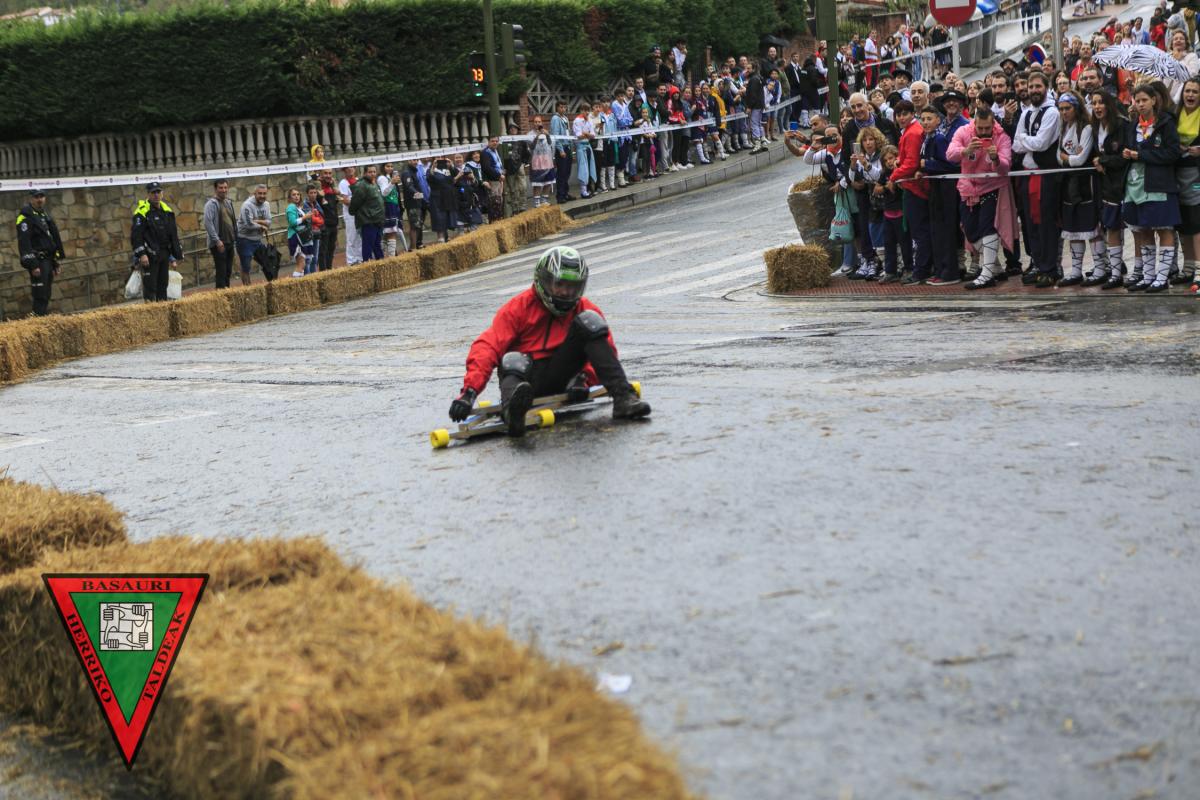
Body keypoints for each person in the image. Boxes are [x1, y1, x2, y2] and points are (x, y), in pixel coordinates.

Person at [447, 246, 650, 437]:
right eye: (560, 284)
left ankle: (624, 397)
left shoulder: (584, 308)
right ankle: (513, 413)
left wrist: (585, 379)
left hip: (563, 374)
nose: (566, 293)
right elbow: (487, 346)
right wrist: (469, 392)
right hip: (525, 380)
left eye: (572, 287)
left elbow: (606, 352)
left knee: (591, 321)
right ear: (543, 280)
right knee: (513, 359)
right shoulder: (518, 308)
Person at [947, 106, 1015, 290]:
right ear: (974, 123)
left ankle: (986, 275)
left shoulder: (1002, 137)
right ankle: (995, 267)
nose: (984, 132)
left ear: (993, 124)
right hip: (967, 189)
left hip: (992, 188)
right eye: (980, 128)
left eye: (987, 128)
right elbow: (950, 154)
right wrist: (965, 150)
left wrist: (996, 159)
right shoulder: (963, 132)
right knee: (970, 230)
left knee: (987, 228)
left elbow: (1006, 167)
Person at [1123, 83, 1182, 293]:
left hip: (1159, 183)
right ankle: (1148, 276)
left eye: (1144, 100)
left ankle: (1162, 277)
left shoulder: (1166, 123)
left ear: (1154, 100)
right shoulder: (1132, 126)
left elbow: (1173, 153)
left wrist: (1141, 155)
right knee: (1143, 229)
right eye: (1137, 100)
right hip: (1136, 184)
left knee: (1163, 228)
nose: (1140, 104)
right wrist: (1126, 154)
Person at [1012, 72, 1062, 287]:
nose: (1033, 90)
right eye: (1031, 87)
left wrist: (1024, 139)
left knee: (1046, 223)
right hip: (1028, 173)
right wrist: (1026, 140)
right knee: (1031, 224)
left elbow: (1041, 143)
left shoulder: (1052, 113)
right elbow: (1015, 145)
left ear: (1046, 88)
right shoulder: (1026, 113)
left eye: (1037, 86)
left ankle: (1050, 268)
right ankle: (1039, 264)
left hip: (1045, 175)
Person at [1054, 93, 1103, 286]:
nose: (1064, 112)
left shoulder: (1087, 128)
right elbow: (1058, 157)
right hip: (1069, 183)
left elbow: (1080, 160)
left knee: (1091, 226)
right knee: (1072, 226)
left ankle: (1100, 268)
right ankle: (1075, 271)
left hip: (1086, 183)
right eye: (1061, 109)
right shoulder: (1063, 128)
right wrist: (1069, 158)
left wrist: (1068, 158)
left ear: (1076, 108)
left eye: (1068, 108)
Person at [1088, 89, 1131, 289]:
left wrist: (1103, 161)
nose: (1097, 107)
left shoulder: (1121, 125)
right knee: (1111, 227)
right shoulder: (1095, 127)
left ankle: (1140, 271)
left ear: (1109, 104)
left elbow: (1124, 156)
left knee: (1135, 229)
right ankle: (1114, 273)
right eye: (1094, 103)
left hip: (1123, 183)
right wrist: (1098, 161)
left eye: (1101, 102)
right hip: (1106, 184)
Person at [130, 182, 182, 302]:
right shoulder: (142, 211)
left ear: (162, 193)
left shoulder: (167, 210)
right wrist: (142, 254)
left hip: (164, 254)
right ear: (148, 194)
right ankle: (151, 311)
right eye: (153, 192)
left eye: (158, 192)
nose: (156, 195)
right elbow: (136, 236)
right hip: (149, 256)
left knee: (163, 286)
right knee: (150, 287)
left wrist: (175, 255)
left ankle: (162, 311)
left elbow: (172, 234)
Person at [15, 189, 64, 316]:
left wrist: (55, 262)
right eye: (36, 197)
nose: (40, 199)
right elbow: (24, 242)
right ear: (31, 199)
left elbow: (50, 240)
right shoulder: (25, 216)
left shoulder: (44, 215)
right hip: (37, 261)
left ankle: (42, 319)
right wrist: (32, 264)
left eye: (42, 196)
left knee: (46, 293)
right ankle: (37, 318)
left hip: (48, 260)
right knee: (40, 294)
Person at [1174, 78, 1200, 291]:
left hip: (1197, 178)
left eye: (1195, 92)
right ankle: (1188, 267)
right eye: (1187, 91)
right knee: (1182, 222)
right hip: (1177, 174)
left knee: (1196, 220)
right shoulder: (1174, 115)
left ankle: (1199, 270)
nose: (1190, 95)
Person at [203, 179, 237, 289]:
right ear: (215, 189)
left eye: (225, 187)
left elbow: (233, 221)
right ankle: (220, 294)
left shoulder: (228, 202)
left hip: (229, 242)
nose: (223, 190)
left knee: (228, 271)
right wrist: (217, 241)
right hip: (219, 244)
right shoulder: (211, 204)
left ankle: (226, 293)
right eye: (221, 188)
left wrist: (235, 238)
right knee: (221, 272)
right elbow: (208, 223)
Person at [350, 164, 386, 262]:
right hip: (368, 221)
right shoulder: (362, 185)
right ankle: (367, 265)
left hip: (377, 220)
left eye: (374, 172)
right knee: (368, 247)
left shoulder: (374, 184)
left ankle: (381, 264)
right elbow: (354, 204)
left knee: (377, 246)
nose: (372, 174)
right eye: (370, 172)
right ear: (365, 173)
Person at [237, 184, 271, 282]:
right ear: (254, 194)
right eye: (259, 193)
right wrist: (262, 226)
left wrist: (256, 221)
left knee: (269, 263)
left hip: (258, 240)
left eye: (264, 193)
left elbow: (269, 222)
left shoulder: (266, 204)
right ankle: (247, 289)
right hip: (244, 240)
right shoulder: (247, 205)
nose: (262, 196)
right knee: (246, 267)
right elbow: (248, 224)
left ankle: (272, 286)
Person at [285, 188, 315, 278]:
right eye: (294, 195)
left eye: (298, 194)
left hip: (302, 237)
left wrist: (309, 214)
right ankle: (295, 282)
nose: (296, 196)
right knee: (301, 264)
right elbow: (292, 222)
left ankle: (300, 281)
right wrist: (305, 217)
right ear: (289, 197)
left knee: (303, 264)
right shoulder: (291, 206)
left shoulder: (297, 208)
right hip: (296, 237)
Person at [503, 123, 531, 217]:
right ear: (508, 130)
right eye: (511, 129)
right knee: (512, 189)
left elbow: (527, 153)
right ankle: (515, 208)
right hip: (509, 168)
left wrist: (524, 162)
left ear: (517, 130)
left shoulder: (521, 141)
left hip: (520, 166)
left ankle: (523, 207)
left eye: (514, 128)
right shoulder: (505, 141)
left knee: (523, 187)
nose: (513, 130)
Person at [378, 163, 405, 257]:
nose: (390, 168)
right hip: (388, 206)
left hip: (394, 205)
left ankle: (388, 256)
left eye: (391, 166)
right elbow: (384, 193)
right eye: (387, 166)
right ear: (383, 167)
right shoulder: (382, 178)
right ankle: (389, 257)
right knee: (390, 232)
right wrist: (392, 183)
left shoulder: (389, 177)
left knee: (391, 232)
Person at [528, 117, 556, 207]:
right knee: (537, 183)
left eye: (539, 122)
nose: (537, 123)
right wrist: (537, 136)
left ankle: (544, 200)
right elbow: (531, 147)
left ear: (541, 123)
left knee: (548, 181)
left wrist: (547, 135)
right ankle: (537, 202)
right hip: (536, 161)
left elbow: (550, 143)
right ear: (533, 123)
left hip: (547, 160)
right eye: (535, 122)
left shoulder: (546, 132)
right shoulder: (530, 134)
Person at [400, 159, 428, 250]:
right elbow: (409, 186)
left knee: (417, 225)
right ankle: (413, 248)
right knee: (414, 226)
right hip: (412, 203)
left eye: (416, 160)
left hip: (417, 201)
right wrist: (417, 193)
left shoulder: (413, 171)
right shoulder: (407, 172)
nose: (415, 162)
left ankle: (415, 246)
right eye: (413, 160)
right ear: (408, 161)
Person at [316, 169, 341, 270]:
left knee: (331, 249)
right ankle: (323, 272)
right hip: (324, 225)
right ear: (321, 175)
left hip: (333, 223)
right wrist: (319, 196)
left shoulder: (332, 188)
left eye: (330, 173)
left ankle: (329, 271)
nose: (328, 175)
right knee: (323, 251)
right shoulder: (317, 188)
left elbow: (333, 206)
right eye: (325, 173)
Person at [338, 166, 362, 266]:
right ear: (344, 170)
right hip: (350, 214)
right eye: (348, 167)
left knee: (360, 237)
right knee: (351, 237)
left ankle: (360, 258)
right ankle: (351, 261)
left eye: (352, 167)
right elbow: (345, 200)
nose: (350, 169)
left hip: (360, 213)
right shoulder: (343, 183)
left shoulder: (358, 181)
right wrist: (359, 202)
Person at [551, 101, 573, 204]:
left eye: (564, 107)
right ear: (557, 108)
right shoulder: (555, 119)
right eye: (561, 107)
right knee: (561, 173)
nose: (563, 109)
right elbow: (556, 135)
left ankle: (565, 193)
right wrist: (560, 150)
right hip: (562, 149)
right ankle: (560, 196)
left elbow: (568, 133)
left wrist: (571, 148)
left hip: (567, 147)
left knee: (567, 172)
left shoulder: (565, 118)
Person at [301, 183, 325, 275]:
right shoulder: (304, 205)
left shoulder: (316, 203)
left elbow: (322, 218)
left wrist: (316, 218)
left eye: (315, 193)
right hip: (308, 235)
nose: (313, 195)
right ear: (307, 194)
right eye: (311, 193)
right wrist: (316, 218)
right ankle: (308, 277)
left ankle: (314, 276)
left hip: (316, 233)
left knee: (315, 258)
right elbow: (311, 219)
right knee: (308, 259)